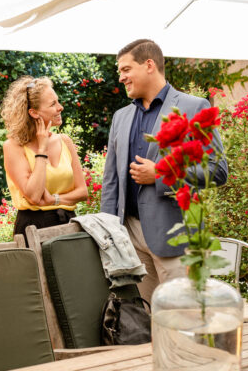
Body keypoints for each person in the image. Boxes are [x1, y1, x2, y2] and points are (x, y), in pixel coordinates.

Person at [101, 39, 228, 303]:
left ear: (149, 65)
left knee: (181, 316)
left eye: (126, 69)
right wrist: (108, 233)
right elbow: (111, 181)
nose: (121, 77)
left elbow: (217, 169)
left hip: (175, 237)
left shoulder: (194, 107)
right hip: (129, 239)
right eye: (120, 71)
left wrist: (161, 173)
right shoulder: (120, 117)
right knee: (142, 317)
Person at [1, 76, 88, 241]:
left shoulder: (65, 141)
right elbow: (34, 196)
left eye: (58, 101)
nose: (60, 107)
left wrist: (54, 200)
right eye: (53, 104)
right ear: (34, 113)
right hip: (33, 227)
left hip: (69, 224)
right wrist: (41, 149)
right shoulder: (13, 147)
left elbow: (82, 192)